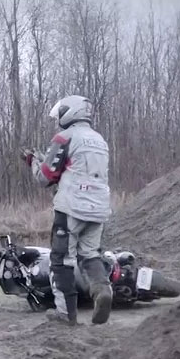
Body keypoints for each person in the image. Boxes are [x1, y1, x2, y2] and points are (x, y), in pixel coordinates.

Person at [24, 95, 113, 326]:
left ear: (69, 112)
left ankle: (66, 314)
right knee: (90, 255)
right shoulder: (99, 140)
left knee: (61, 260)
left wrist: (33, 161)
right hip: (99, 206)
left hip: (72, 206)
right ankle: (102, 290)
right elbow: (75, 168)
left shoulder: (65, 137)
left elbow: (45, 177)